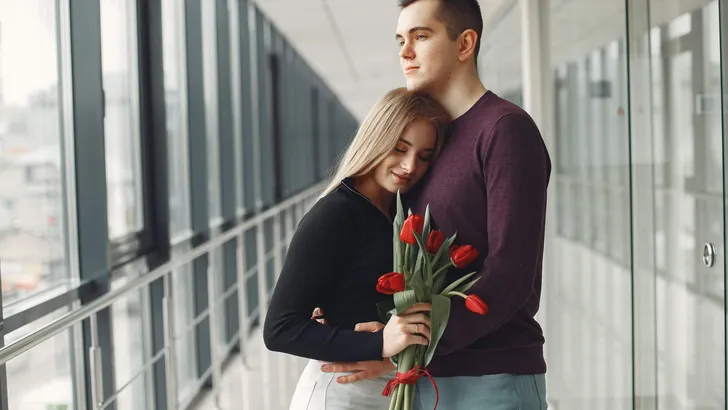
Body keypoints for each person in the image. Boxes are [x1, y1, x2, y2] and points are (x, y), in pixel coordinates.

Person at [320, 0, 551, 409]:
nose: (404, 52)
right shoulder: (429, 141)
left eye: (420, 37)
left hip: (491, 379)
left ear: (465, 44)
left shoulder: (505, 130)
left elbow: (512, 277)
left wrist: (406, 347)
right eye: (400, 41)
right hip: (424, 377)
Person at [263, 87, 451, 410]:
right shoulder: (335, 213)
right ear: (377, 138)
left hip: (386, 391)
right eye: (400, 148)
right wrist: (377, 343)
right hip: (339, 395)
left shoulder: (399, 211)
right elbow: (279, 328)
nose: (409, 166)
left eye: (423, 156)